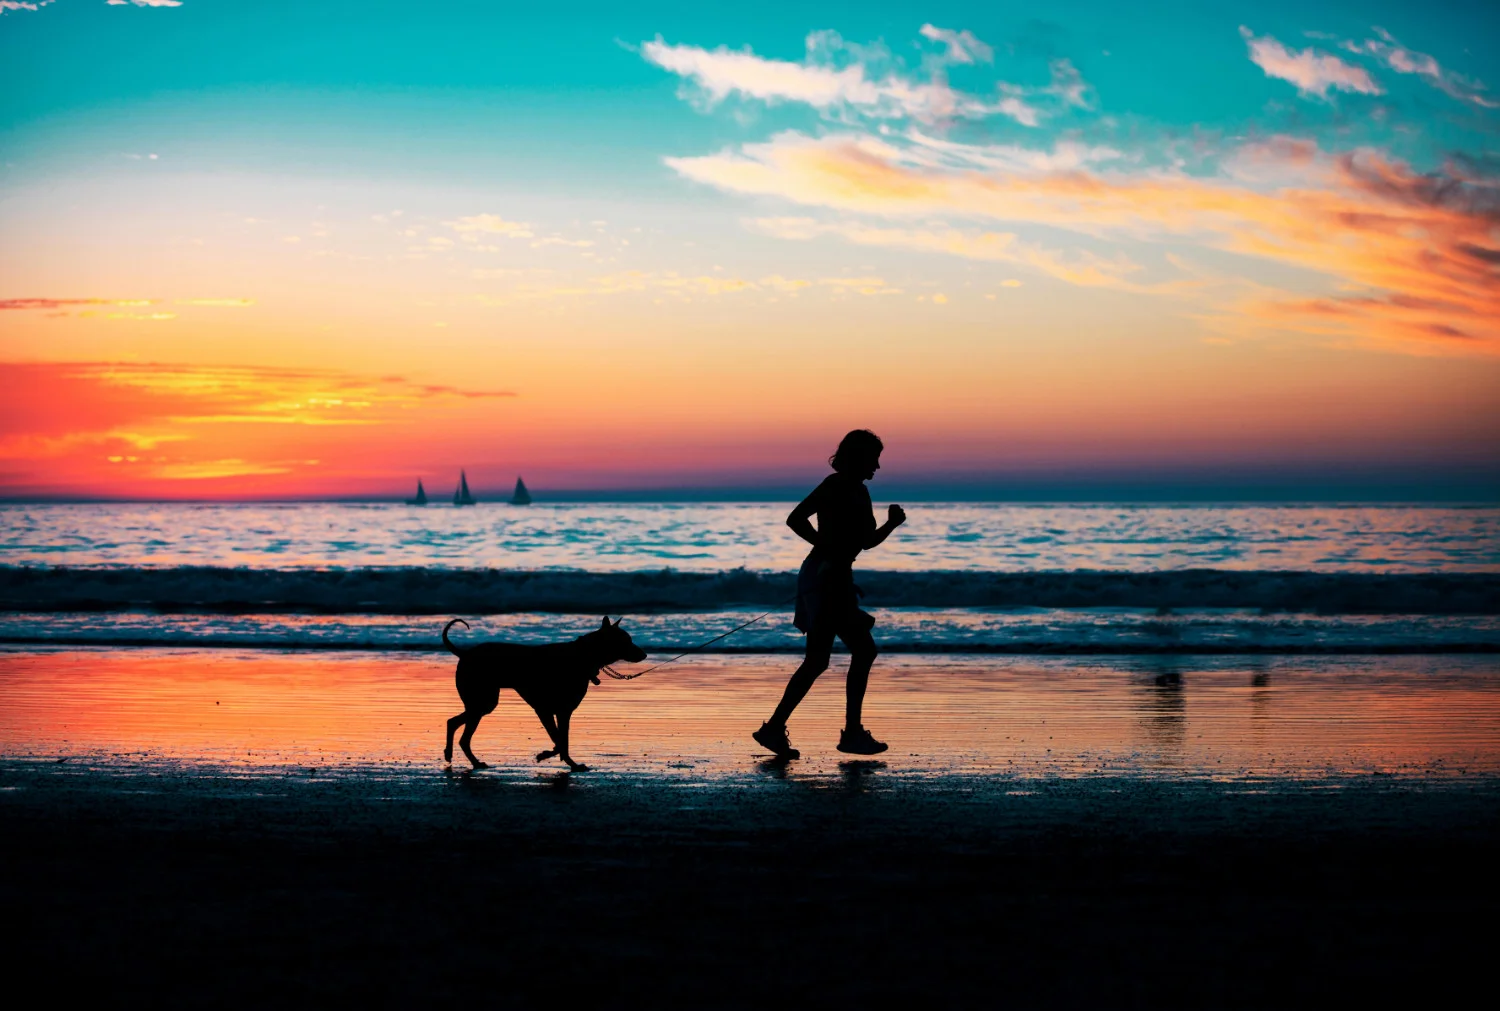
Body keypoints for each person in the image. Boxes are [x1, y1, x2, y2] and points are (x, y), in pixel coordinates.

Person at [754, 429, 906, 759]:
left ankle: (774, 729)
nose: (878, 466)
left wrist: (892, 524)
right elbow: (795, 519)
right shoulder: (834, 485)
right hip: (823, 575)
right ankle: (850, 733)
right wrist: (825, 548)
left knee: (819, 659)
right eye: (874, 458)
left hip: (834, 574)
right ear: (858, 457)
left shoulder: (861, 492)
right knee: (861, 651)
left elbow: (865, 542)